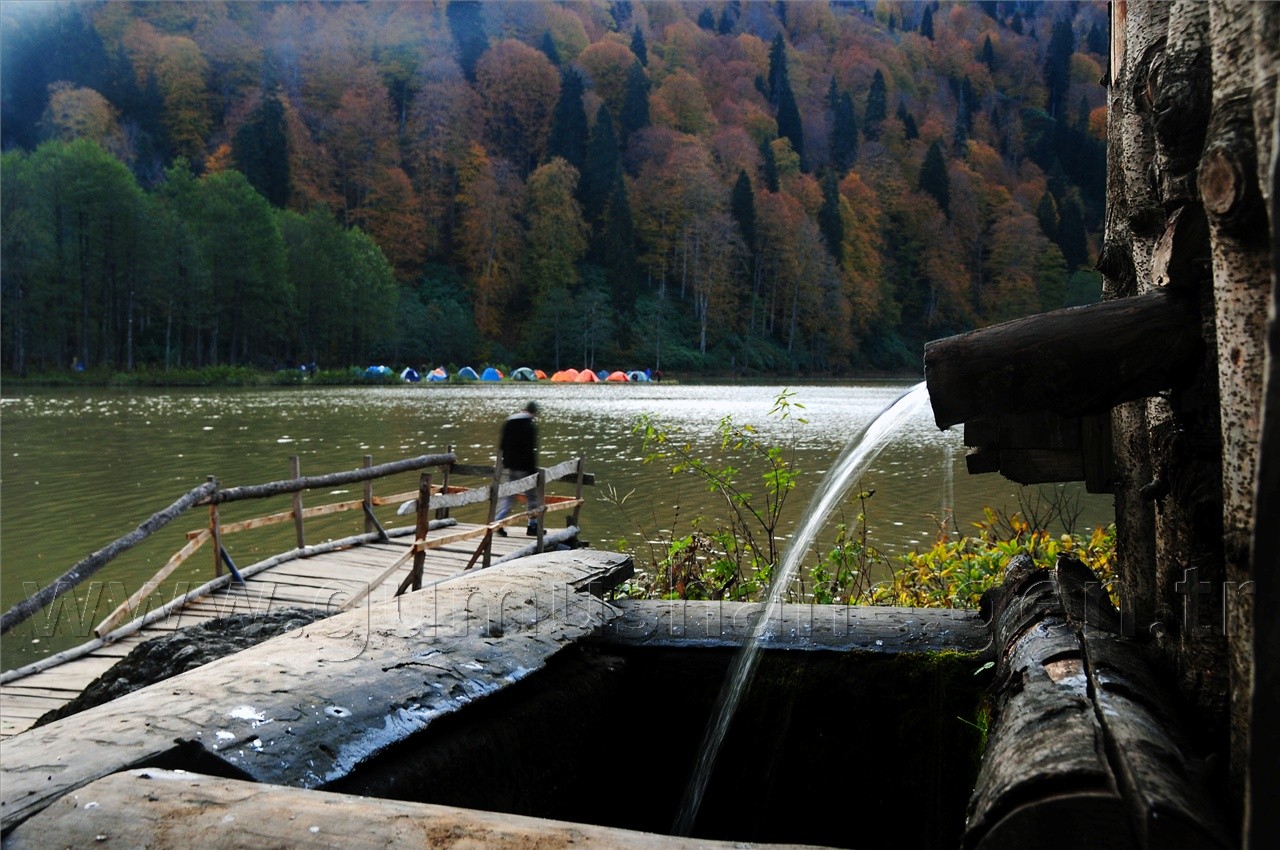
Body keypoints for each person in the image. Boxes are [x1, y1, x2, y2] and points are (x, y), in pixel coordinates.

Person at [495, 401, 540, 536]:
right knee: (532, 497)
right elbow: (530, 451)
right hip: (524, 467)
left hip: (508, 466)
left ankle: (498, 523)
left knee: (508, 496)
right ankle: (533, 526)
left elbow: (501, 445)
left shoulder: (509, 422)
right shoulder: (529, 426)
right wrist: (533, 471)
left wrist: (505, 462)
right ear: (533, 413)